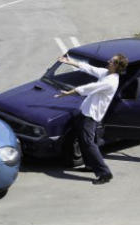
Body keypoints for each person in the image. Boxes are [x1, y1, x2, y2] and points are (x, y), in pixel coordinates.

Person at [55, 53, 129, 185]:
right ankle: (89, 165)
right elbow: (89, 68)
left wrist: (69, 92)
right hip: (85, 112)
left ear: (116, 65)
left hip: (91, 115)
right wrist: (68, 61)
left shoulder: (110, 81)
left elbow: (89, 88)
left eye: (111, 61)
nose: (108, 60)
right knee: (85, 141)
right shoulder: (107, 73)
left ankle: (105, 173)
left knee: (88, 143)